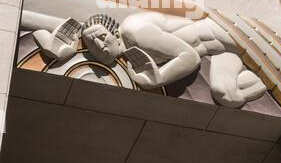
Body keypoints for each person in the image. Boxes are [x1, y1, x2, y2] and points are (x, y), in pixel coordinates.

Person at [33, 11, 267, 108]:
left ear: (114, 33)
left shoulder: (135, 31)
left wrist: (159, 78)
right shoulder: (123, 48)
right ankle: (266, 81)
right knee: (227, 96)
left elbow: (190, 56)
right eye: (93, 45)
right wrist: (67, 50)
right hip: (222, 52)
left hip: (229, 34)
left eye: (102, 38)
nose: (100, 46)